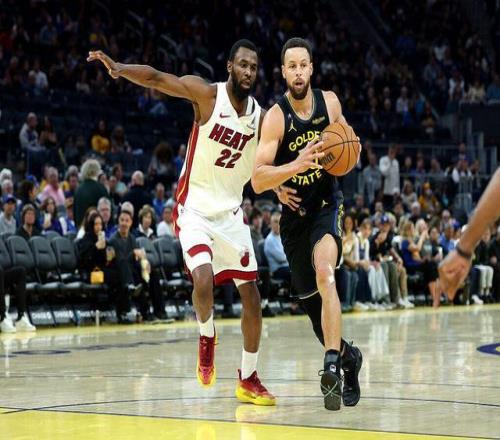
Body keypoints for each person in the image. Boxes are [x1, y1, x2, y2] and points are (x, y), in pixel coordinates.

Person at [88, 39, 276, 405]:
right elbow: (159, 78)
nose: (248, 71)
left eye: (253, 67)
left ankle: (248, 377)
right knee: (203, 279)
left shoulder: (262, 118)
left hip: (231, 214)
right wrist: (121, 69)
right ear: (230, 66)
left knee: (252, 297)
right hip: (195, 211)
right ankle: (207, 335)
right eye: (242, 64)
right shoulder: (207, 96)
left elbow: (275, 156)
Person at [251, 37, 362, 411]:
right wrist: (290, 171)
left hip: (326, 205)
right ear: (283, 72)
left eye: (303, 65)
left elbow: (350, 144)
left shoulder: (329, 103)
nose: (298, 72)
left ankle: (332, 366)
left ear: (311, 68)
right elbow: (258, 178)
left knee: (325, 273)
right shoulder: (276, 117)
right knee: (316, 318)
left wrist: (351, 150)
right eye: (291, 67)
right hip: (295, 217)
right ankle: (349, 357)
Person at [400, 221, 440, 308]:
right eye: (412, 228)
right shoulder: (405, 242)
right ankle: (434, 297)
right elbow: (417, 248)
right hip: (409, 265)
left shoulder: (411, 241)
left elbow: (416, 257)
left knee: (432, 263)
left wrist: (422, 260)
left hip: (415, 263)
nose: (414, 230)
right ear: (408, 230)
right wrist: (422, 236)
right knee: (429, 265)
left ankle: (435, 296)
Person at [74, 159, 109, 227]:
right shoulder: (101, 188)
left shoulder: (78, 190)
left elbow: (75, 213)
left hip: (80, 228)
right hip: (96, 228)